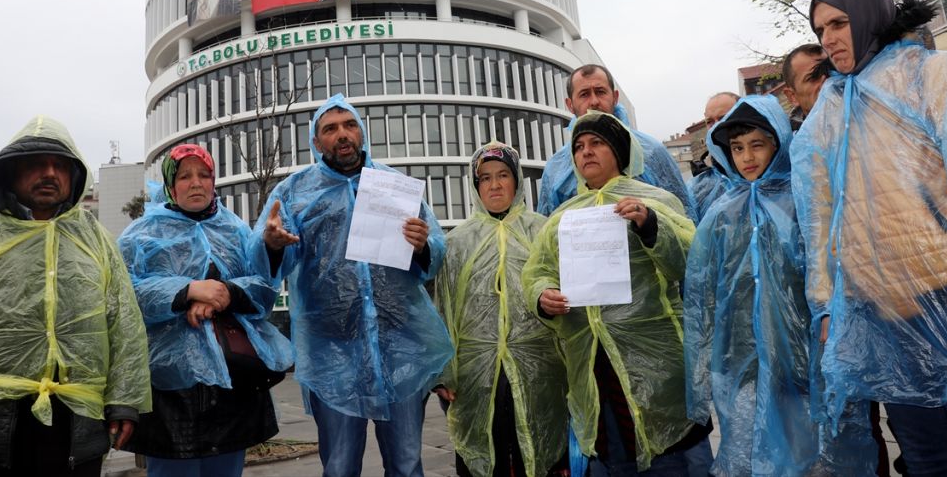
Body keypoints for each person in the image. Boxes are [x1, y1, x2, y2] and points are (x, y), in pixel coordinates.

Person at [791, 0, 947, 474]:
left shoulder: (930, 74)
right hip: (883, 311)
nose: (828, 39)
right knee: (925, 455)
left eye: (838, 23)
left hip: (946, 287)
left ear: (868, 16)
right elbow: (819, 220)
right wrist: (825, 305)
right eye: (820, 30)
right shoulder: (830, 109)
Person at [0, 116, 151, 476]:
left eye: (60, 165)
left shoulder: (95, 240)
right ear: (12, 170)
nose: (50, 173)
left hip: (74, 423)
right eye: (36, 163)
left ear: (73, 175)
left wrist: (125, 399)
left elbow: (124, 324)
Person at [251, 93, 453, 477]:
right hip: (332, 354)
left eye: (349, 125)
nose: (342, 134)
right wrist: (271, 244)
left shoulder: (394, 187)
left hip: (400, 348)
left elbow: (435, 257)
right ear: (316, 142)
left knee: (407, 464)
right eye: (330, 129)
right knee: (340, 466)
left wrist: (423, 246)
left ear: (361, 133)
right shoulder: (294, 193)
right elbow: (263, 264)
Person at [684, 96, 875, 476]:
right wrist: (704, 364)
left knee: (814, 452)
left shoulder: (803, 199)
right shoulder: (721, 214)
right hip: (743, 358)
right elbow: (701, 292)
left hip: (805, 353)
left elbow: (829, 268)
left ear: (778, 143)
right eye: (737, 148)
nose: (747, 157)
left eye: (757, 145)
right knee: (752, 447)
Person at [522, 111, 708, 475]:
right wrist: (543, 295)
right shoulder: (562, 217)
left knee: (669, 456)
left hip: (654, 364)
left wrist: (650, 224)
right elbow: (537, 271)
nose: (586, 152)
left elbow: (693, 260)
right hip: (594, 367)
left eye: (597, 143)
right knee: (613, 455)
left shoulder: (655, 200)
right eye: (579, 146)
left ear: (619, 151)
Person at [118, 144, 293, 477]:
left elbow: (264, 288)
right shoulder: (140, 234)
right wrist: (188, 290)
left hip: (231, 385)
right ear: (171, 186)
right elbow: (122, 294)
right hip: (169, 393)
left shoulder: (236, 230)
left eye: (204, 175)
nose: (196, 183)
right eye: (185, 176)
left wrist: (226, 292)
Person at [435, 142, 568, 477]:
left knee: (539, 452)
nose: (494, 185)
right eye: (485, 178)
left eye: (503, 175)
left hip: (540, 368)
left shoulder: (544, 231)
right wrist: (444, 373)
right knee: (482, 455)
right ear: (475, 185)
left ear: (517, 181)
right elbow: (445, 309)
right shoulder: (457, 243)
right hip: (475, 374)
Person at [537, 64, 695, 221]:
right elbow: (546, 226)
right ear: (570, 105)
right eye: (584, 94)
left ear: (615, 97)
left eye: (600, 92)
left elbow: (684, 216)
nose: (594, 101)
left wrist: (649, 223)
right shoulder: (556, 169)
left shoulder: (653, 152)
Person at [687, 92, 738, 221]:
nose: (716, 126)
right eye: (710, 121)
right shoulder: (700, 186)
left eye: (723, 118)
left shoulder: (765, 167)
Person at [780, 43, 829, 130]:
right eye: (814, 77)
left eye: (831, 72)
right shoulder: (792, 138)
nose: (827, 81)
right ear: (792, 96)